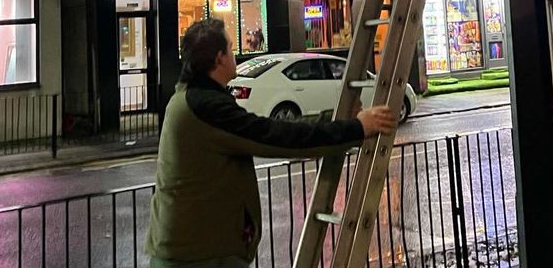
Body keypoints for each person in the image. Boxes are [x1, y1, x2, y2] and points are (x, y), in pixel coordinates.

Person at [147, 19, 398, 267]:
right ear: (219, 58)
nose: (235, 55)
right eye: (231, 48)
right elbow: (276, 136)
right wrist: (357, 128)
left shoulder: (192, 99)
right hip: (201, 255)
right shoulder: (206, 106)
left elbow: (271, 127)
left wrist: (332, 120)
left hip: (195, 248)